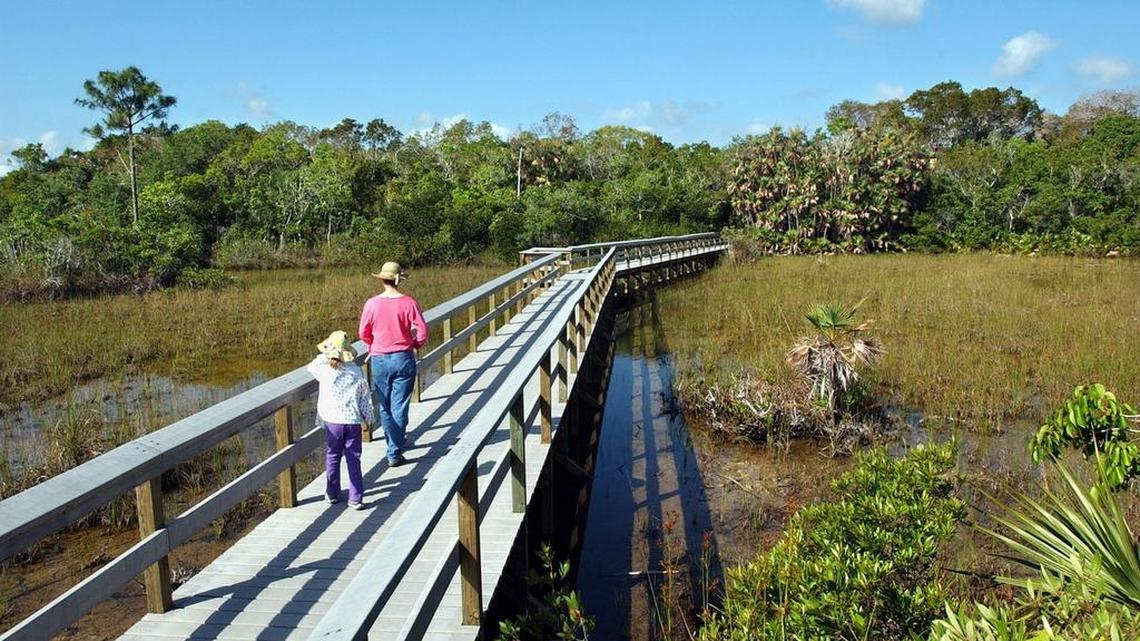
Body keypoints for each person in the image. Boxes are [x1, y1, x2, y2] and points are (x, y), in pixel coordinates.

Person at [359, 261, 428, 467]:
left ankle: (393, 444)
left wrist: (374, 345)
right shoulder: (408, 303)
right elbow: (422, 330)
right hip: (403, 358)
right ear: (399, 279)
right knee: (399, 406)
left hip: (379, 359)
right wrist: (415, 343)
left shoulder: (371, 304)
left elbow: (363, 332)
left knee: (385, 406)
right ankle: (394, 451)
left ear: (382, 279)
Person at [307, 330, 374, 509]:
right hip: (352, 421)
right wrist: (368, 418)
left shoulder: (325, 370)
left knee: (333, 455)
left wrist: (327, 355)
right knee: (354, 458)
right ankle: (356, 497)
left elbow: (311, 366)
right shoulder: (356, 371)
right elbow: (364, 397)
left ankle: (332, 492)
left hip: (333, 422)